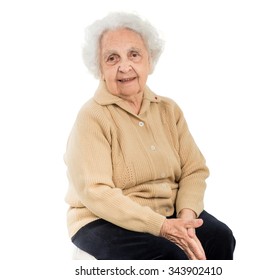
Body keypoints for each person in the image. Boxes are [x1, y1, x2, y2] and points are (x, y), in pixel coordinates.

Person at [64, 12, 235, 260]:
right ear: (99, 68)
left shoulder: (168, 110)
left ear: (149, 60)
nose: (125, 67)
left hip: (169, 213)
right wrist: (162, 226)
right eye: (112, 58)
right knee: (168, 256)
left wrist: (186, 218)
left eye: (134, 55)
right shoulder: (92, 117)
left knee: (220, 238)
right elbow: (96, 192)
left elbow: (194, 169)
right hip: (101, 220)